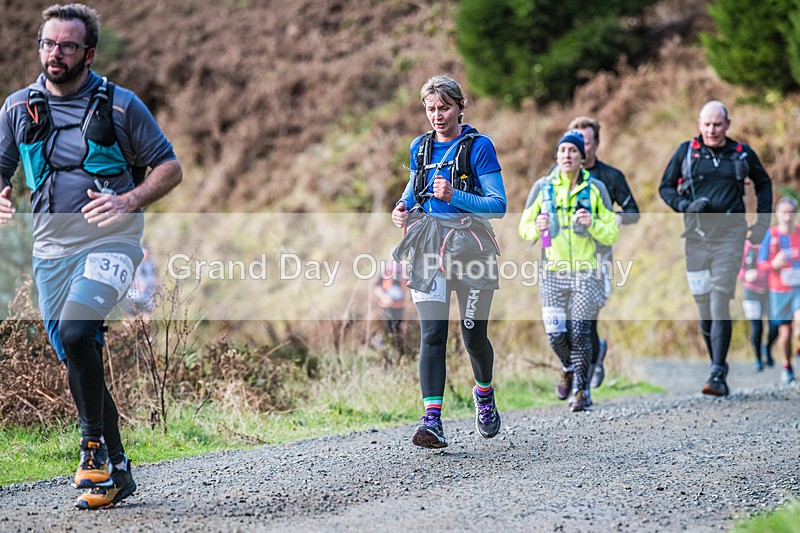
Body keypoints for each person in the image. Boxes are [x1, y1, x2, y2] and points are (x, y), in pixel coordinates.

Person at [0, 4, 182, 509]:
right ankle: (118, 469)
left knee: (80, 329)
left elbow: (169, 167)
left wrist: (128, 199)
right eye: (47, 43)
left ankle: (92, 448)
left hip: (112, 241)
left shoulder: (121, 105)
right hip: (49, 252)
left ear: (88, 52)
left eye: (67, 45)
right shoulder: (18, 108)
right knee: (77, 355)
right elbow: (1, 165)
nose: (55, 54)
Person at [391, 75, 506, 448]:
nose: (437, 116)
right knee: (433, 334)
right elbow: (413, 188)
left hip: (472, 248)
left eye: (444, 108)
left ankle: (484, 394)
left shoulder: (479, 147)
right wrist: (403, 206)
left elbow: (498, 205)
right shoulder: (420, 148)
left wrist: (456, 195)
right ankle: (432, 420)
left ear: (460, 106)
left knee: (473, 336)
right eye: (430, 109)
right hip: (427, 246)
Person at [659, 100, 772, 396]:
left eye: (717, 124)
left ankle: (718, 372)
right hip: (696, 239)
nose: (712, 129)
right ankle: (715, 364)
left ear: (727, 125)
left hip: (731, 237)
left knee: (720, 299)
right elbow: (665, 187)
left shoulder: (741, 153)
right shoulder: (686, 153)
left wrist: (761, 224)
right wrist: (685, 205)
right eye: (707, 124)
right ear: (699, 124)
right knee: (704, 308)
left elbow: (764, 184)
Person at [518, 130, 619, 412]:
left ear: (582, 157)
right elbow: (523, 228)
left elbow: (611, 233)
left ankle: (581, 391)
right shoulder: (543, 188)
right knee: (555, 333)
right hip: (553, 270)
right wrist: (535, 227)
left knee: (580, 331)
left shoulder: (596, 188)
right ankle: (567, 367)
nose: (567, 155)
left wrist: (592, 224)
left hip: (587, 271)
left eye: (573, 151)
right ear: (557, 156)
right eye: (562, 151)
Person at [567, 116, 639, 389]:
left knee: (586, 315)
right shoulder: (558, 175)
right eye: (573, 142)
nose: (579, 149)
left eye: (584, 142)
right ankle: (587, 361)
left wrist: (615, 218)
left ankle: (588, 367)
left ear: (597, 143)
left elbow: (634, 212)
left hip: (598, 256)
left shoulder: (611, 176)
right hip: (564, 257)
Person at [757, 197, 800, 384]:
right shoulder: (771, 235)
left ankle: (798, 350)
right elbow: (760, 264)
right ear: (777, 214)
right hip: (779, 290)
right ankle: (787, 366)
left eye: (791, 212)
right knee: (785, 332)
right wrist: (773, 264)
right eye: (784, 212)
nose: (788, 216)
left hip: (798, 288)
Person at [738, 239, 777, 371]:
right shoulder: (744, 246)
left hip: (770, 291)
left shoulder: (770, 242)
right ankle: (758, 359)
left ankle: (768, 348)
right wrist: (745, 275)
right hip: (751, 292)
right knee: (757, 327)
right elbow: (737, 268)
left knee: (775, 326)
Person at [371, 259, 408, 351]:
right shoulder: (386, 271)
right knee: (388, 327)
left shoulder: (405, 272)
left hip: (399, 306)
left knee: (397, 328)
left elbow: (408, 287)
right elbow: (377, 286)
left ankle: (394, 349)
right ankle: (380, 344)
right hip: (387, 306)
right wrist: (384, 297)